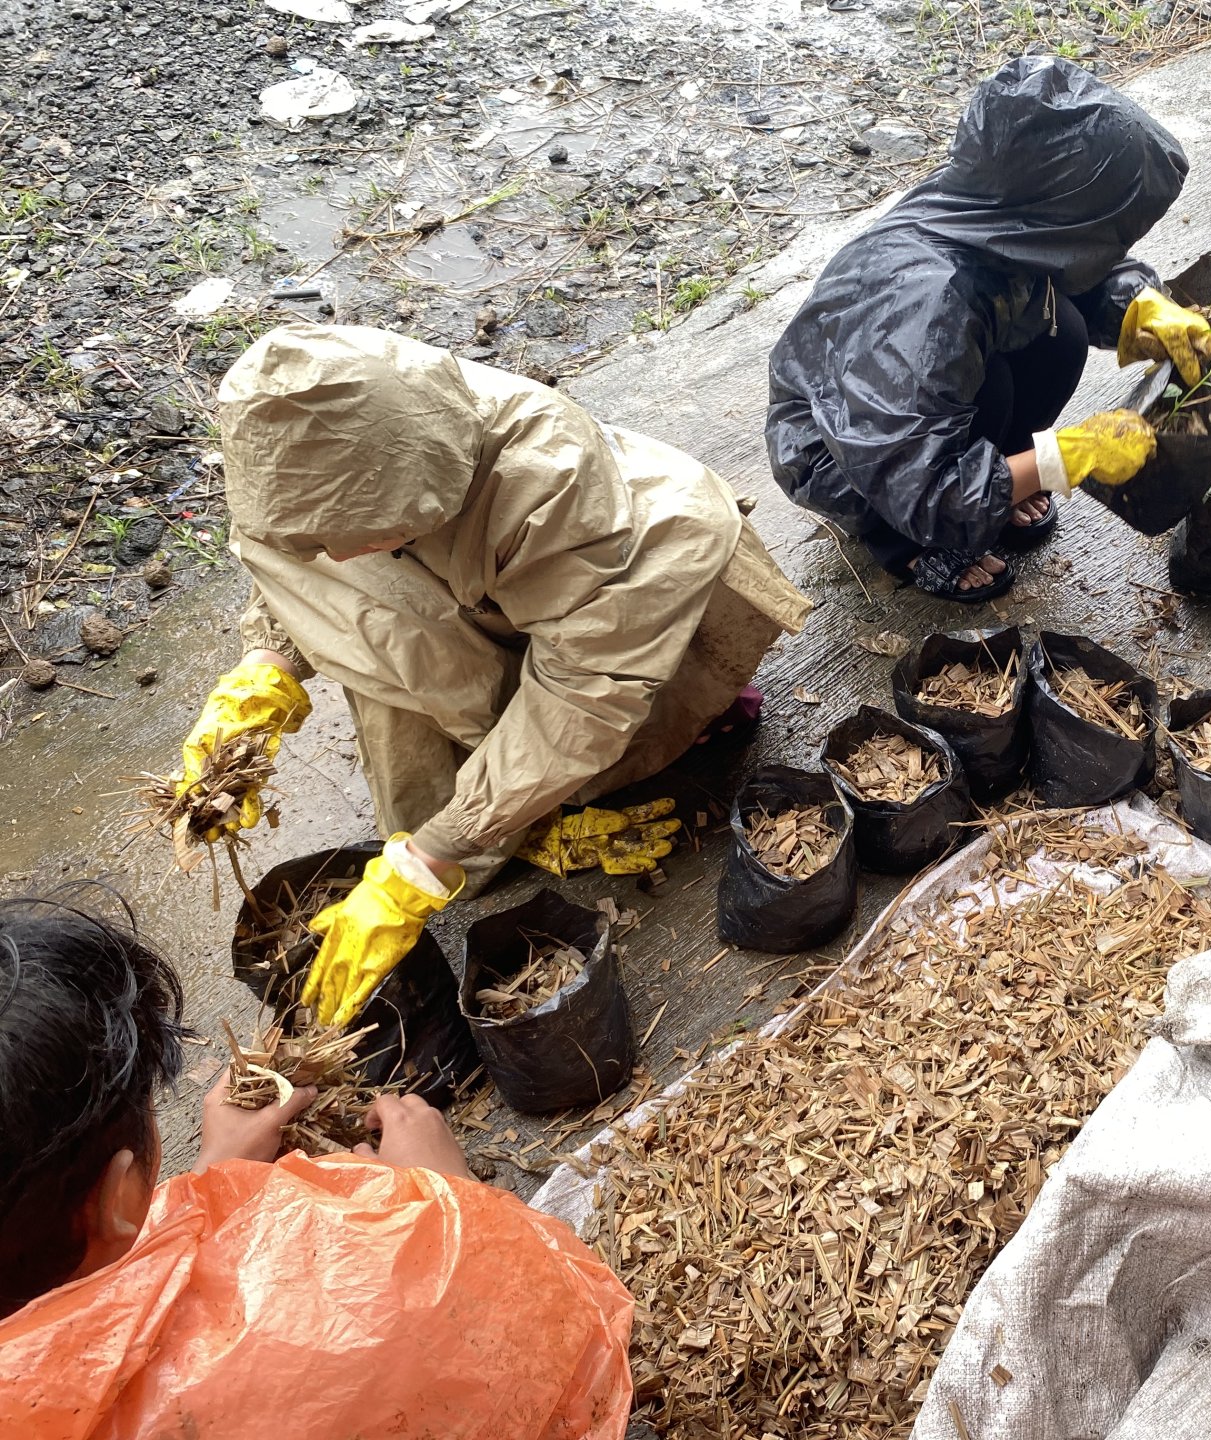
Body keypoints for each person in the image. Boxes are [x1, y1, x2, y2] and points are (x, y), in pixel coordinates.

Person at [185, 322, 812, 1025]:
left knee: (610, 737)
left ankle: (661, 729)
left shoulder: (551, 487)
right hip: (503, 599)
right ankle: (500, 800)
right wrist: (264, 675)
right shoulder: (340, 455)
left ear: (412, 497)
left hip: (638, 589)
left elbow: (580, 699)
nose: (332, 554)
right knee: (379, 641)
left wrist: (433, 858)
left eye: (344, 536)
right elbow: (299, 562)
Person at [0, 894, 632, 1437]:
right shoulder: (279, 1345)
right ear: (115, 1198)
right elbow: (563, 1328)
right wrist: (450, 1196)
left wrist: (208, 1178)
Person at [765, 57, 1207, 602]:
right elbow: (917, 480)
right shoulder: (922, 304)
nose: (1114, 240)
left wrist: (1139, 307)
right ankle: (909, 547)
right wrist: (1061, 459)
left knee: (1059, 331)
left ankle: (1000, 484)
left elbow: (1070, 263)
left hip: (908, 406)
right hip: (843, 451)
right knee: (987, 400)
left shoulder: (996, 203)